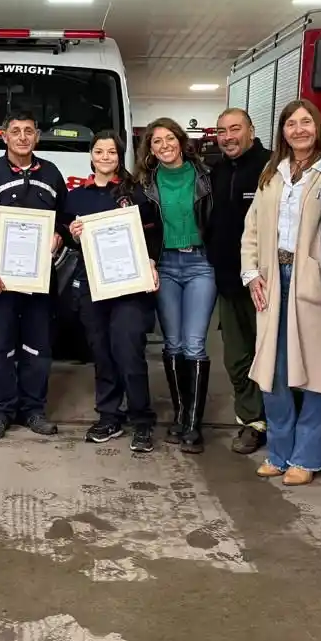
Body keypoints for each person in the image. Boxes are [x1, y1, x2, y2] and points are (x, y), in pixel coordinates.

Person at [240, 100, 321, 485]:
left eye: (305, 122)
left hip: (315, 283)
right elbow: (252, 227)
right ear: (282, 131)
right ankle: (280, 452)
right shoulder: (273, 172)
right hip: (273, 278)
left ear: (318, 127)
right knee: (274, 370)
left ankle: (308, 458)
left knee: (317, 373)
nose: (298, 129)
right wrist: (252, 273)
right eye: (290, 124)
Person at [0, 109, 68, 440]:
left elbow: (65, 218)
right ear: (4, 137)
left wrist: (60, 234)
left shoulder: (52, 174)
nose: (22, 137)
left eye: (28, 131)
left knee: (38, 347)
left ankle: (33, 410)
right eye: (15, 131)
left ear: (37, 136)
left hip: (40, 281)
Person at [61, 132, 163, 453]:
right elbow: (65, 235)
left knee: (128, 349)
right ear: (91, 156)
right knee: (102, 352)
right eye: (99, 151)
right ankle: (109, 415)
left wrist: (151, 263)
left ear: (120, 156)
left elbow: (154, 234)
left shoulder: (136, 194)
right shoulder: (76, 197)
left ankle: (141, 419)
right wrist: (72, 233)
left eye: (112, 152)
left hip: (130, 286)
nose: (105, 157)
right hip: (92, 284)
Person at [136, 117, 214, 454]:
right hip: (164, 265)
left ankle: (194, 425)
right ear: (150, 150)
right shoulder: (145, 184)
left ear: (181, 142)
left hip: (201, 264)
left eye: (169, 138)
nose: (164, 145)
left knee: (194, 344)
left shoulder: (206, 177)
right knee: (173, 343)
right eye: (156, 141)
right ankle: (181, 414)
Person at [204, 107, 272, 454]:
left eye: (235, 129)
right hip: (228, 281)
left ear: (251, 130)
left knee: (270, 353)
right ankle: (252, 421)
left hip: (264, 281)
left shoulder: (271, 166)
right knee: (237, 357)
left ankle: (280, 421)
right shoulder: (215, 172)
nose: (228, 137)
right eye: (222, 131)